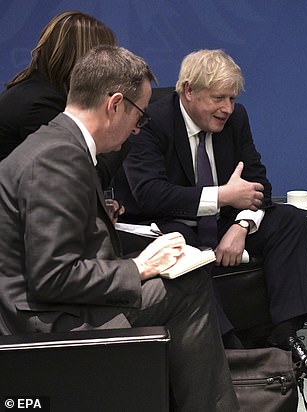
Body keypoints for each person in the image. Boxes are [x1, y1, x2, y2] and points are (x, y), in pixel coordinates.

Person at [0, 45, 238, 411]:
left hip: (39, 306)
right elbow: (52, 276)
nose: (137, 129)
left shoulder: (54, 143)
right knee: (189, 285)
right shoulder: (58, 160)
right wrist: (139, 268)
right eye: (139, 116)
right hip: (44, 323)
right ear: (114, 105)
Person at [118, 49, 307, 378]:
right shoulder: (152, 123)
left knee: (289, 220)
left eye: (232, 98)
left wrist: (242, 225)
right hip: (172, 224)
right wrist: (222, 197)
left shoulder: (236, 119)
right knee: (180, 242)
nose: (227, 109)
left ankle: (285, 338)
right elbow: (150, 193)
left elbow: (258, 180)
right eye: (219, 98)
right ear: (188, 91)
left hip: (225, 222)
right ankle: (228, 350)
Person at [0, 11, 127, 189]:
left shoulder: (34, 92)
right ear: (88, 60)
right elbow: (83, 182)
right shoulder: (42, 107)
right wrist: (122, 128)